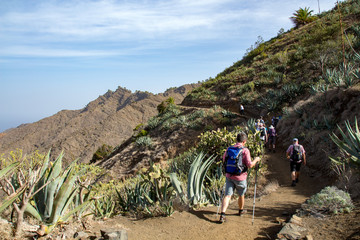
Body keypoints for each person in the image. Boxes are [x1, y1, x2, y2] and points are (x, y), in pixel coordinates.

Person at [219, 132, 261, 223]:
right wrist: (256, 160)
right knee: (241, 194)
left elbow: (224, 159)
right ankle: (241, 210)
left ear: (236, 140)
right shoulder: (245, 150)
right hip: (240, 177)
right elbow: (249, 165)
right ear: (244, 141)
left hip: (229, 175)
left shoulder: (229, 148)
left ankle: (222, 214)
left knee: (227, 195)